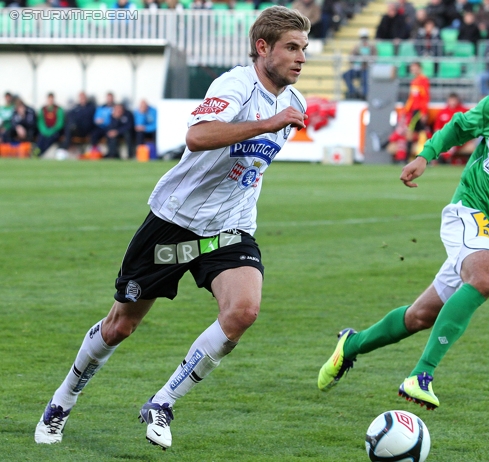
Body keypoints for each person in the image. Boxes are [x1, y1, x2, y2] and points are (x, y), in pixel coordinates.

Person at [35, 5, 310, 450]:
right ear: (263, 48)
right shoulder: (235, 84)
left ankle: (162, 402)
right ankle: (63, 399)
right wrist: (264, 123)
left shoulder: (295, 103)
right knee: (120, 326)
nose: (301, 57)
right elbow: (198, 137)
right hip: (174, 225)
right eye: (292, 47)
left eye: (304, 49)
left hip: (227, 231)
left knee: (242, 312)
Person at [318, 35, 489, 412]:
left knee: (419, 316)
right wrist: (425, 156)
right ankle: (421, 376)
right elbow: (458, 128)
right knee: (482, 280)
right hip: (469, 210)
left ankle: (350, 344)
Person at [342, 28, 377, 99]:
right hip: (356, 69)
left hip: (366, 69)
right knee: (346, 75)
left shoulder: (372, 47)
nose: (364, 40)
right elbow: (351, 58)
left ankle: (364, 95)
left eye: (365, 38)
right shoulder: (356, 47)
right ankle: (353, 92)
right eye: (362, 38)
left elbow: (374, 59)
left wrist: (366, 61)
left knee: (365, 78)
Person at [59, 91, 97, 156]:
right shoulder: (76, 108)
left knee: (71, 127)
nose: (82, 99)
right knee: (69, 126)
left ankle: (64, 147)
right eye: (81, 98)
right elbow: (69, 116)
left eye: (83, 98)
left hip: (87, 130)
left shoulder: (91, 108)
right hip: (77, 129)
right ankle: (64, 147)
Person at [35, 92, 65, 157]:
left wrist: (52, 130)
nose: (50, 101)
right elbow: (40, 122)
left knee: (50, 139)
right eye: (49, 99)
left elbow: (60, 123)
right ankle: (36, 151)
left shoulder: (58, 109)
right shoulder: (43, 109)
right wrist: (45, 130)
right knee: (41, 138)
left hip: (55, 130)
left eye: (52, 99)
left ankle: (40, 153)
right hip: (45, 130)